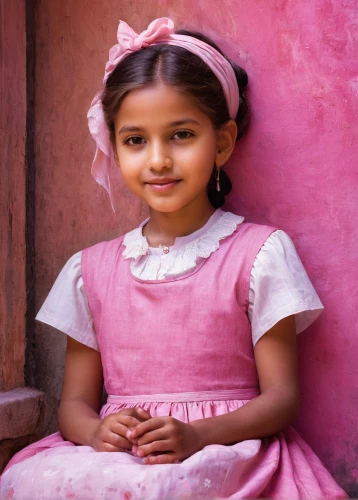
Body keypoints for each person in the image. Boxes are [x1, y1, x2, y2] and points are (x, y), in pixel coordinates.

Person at [0, 17, 347, 500]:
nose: (158, 159)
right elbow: (74, 406)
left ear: (222, 142)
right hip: (124, 460)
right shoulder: (91, 271)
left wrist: (199, 436)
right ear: (114, 147)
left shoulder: (260, 253)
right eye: (136, 140)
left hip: (225, 451)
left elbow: (282, 399)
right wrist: (99, 431)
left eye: (181, 134)